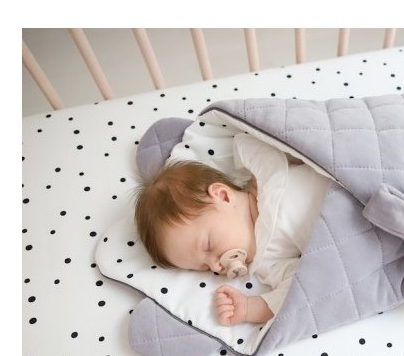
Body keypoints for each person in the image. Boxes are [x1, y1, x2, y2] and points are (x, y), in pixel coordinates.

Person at [133, 134, 330, 327]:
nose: (215, 266)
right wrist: (248, 308)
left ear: (223, 196)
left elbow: (273, 134)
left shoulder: (262, 175)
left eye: (208, 246)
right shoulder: (266, 262)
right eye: (204, 267)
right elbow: (299, 289)